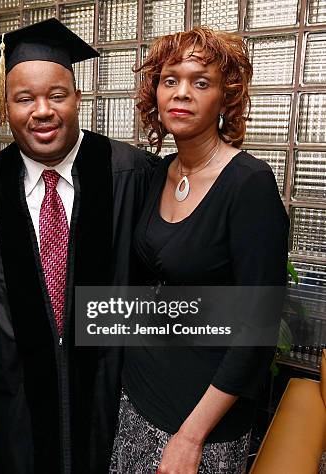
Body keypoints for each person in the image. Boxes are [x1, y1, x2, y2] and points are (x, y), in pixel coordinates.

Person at [0, 18, 158, 474]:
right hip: (20, 404)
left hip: (115, 393)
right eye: (24, 98)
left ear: (77, 99)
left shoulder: (133, 173)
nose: (42, 110)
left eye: (56, 95)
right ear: (4, 108)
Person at [108, 27, 290, 474]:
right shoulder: (156, 173)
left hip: (199, 423)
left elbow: (257, 328)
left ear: (225, 99)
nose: (181, 93)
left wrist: (191, 437)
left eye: (200, 82)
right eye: (170, 80)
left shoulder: (248, 184)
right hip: (137, 401)